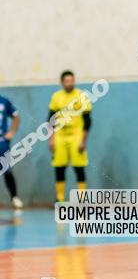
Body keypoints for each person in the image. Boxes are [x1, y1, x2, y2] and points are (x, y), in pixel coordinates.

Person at [48, 71, 91, 202]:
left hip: (76, 134)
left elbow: (88, 120)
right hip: (60, 135)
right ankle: (60, 198)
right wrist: (51, 138)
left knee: (79, 167)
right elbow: (50, 119)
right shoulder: (56, 97)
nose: (69, 83)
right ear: (62, 82)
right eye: (66, 81)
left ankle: (82, 199)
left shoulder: (81, 96)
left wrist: (83, 140)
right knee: (59, 167)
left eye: (71, 80)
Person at [0, 94, 23, 208]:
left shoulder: (4, 101)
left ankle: (14, 197)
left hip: (2, 141)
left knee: (7, 170)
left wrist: (12, 132)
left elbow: (16, 115)